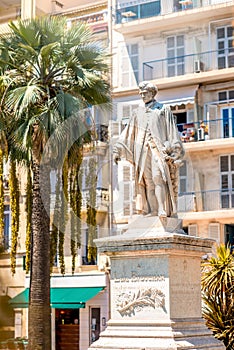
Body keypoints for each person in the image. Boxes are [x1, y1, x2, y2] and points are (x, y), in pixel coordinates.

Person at [113, 81, 185, 218]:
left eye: (145, 93)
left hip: (157, 149)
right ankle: (152, 211)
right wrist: (117, 149)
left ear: (152, 93)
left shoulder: (163, 109)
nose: (142, 95)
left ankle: (162, 209)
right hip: (142, 151)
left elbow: (171, 131)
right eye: (140, 93)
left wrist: (174, 149)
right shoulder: (137, 112)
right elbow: (127, 132)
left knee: (159, 177)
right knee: (148, 182)